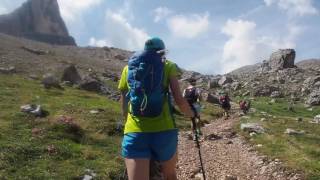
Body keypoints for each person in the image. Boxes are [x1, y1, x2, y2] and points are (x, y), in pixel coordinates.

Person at [118, 37, 194, 180]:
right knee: (170, 176)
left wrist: (128, 125)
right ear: (162, 52)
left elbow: (124, 104)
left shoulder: (128, 69)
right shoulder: (168, 66)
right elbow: (178, 99)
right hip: (164, 131)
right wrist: (191, 114)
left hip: (135, 131)